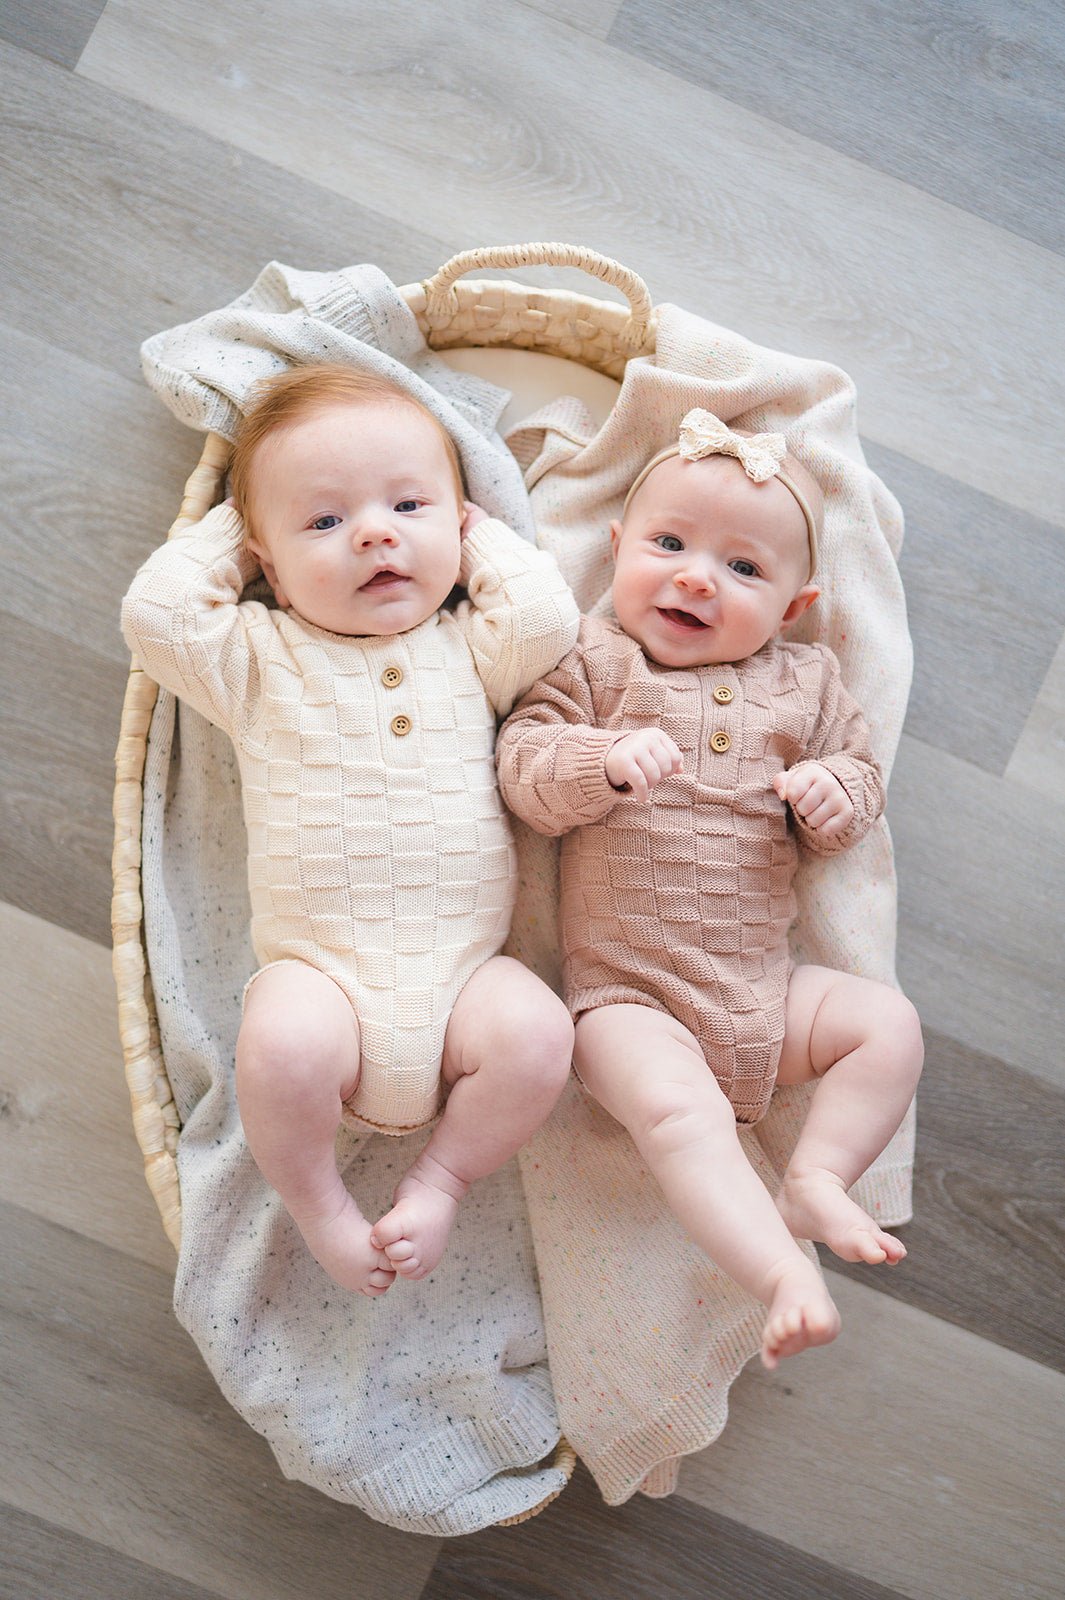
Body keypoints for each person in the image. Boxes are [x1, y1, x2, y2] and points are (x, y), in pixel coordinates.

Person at [122, 364, 580, 1297]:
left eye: (407, 503)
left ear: (456, 522)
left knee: (538, 1034)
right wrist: (236, 537)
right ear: (269, 567)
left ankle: (442, 1179)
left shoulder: (469, 649)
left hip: (465, 981)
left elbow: (543, 616)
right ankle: (322, 1203)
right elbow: (159, 617)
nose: (374, 532)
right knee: (280, 1047)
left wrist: (477, 533)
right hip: (323, 977)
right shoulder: (259, 661)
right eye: (324, 522)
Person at [495, 409, 924, 1368]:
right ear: (615, 552)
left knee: (887, 1026)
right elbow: (521, 767)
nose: (695, 576)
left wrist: (830, 794)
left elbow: (859, 787)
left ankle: (817, 1173)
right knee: (680, 1115)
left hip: (767, 994)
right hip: (627, 1001)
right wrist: (598, 761)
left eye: (743, 568)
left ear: (792, 607)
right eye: (668, 544)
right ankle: (778, 1272)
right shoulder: (592, 661)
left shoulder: (807, 684)